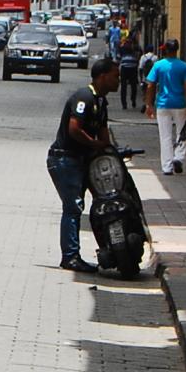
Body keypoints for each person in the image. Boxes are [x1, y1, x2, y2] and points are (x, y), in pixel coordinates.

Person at [47, 56, 121, 275]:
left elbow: (104, 133)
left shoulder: (101, 102)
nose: (118, 80)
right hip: (65, 159)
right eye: (115, 76)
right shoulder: (84, 97)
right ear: (102, 76)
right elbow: (74, 129)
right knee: (73, 207)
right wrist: (95, 144)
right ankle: (70, 257)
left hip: (82, 160)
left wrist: (110, 150)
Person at [142, 40, 186, 175]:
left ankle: (167, 167)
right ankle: (178, 157)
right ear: (176, 50)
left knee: (165, 136)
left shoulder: (158, 65)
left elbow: (150, 85)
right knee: (181, 133)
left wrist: (149, 104)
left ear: (166, 50)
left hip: (163, 105)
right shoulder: (184, 66)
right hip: (180, 104)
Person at [117, 35, 141, 111]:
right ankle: (132, 100)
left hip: (125, 68)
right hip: (133, 68)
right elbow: (139, 55)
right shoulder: (136, 47)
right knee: (133, 86)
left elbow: (118, 56)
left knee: (124, 87)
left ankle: (125, 103)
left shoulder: (123, 47)